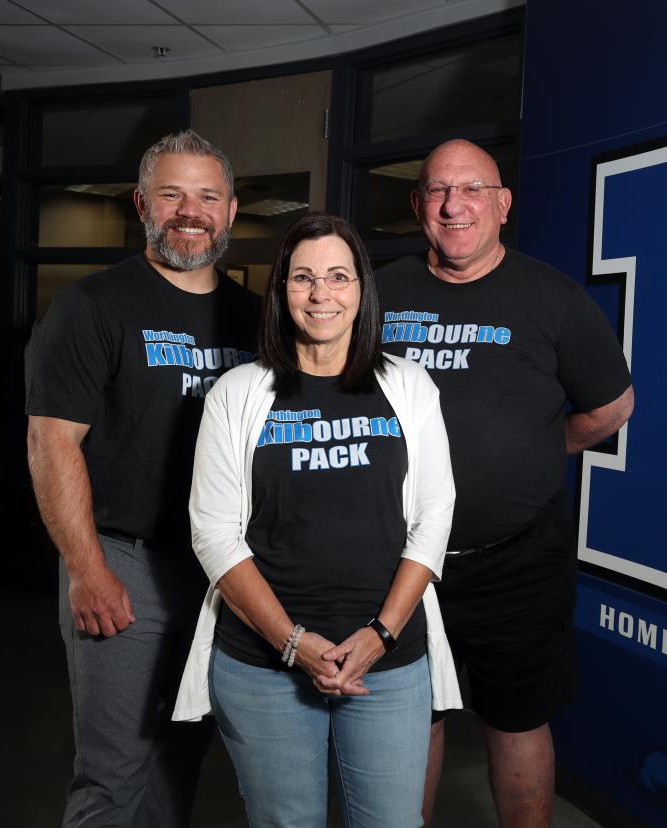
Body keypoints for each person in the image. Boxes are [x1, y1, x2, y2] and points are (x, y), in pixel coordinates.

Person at [171, 212, 461, 826]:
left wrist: (380, 635)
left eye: (338, 276)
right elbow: (214, 533)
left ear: (361, 289)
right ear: (281, 291)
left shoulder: (408, 385)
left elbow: (434, 517)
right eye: (302, 278)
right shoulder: (236, 393)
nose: (321, 294)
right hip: (263, 666)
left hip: (388, 661)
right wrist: (294, 644)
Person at [378, 139, 635, 827]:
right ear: (418, 205)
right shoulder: (380, 292)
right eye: (436, 190)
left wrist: (533, 451)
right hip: (396, 563)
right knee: (408, 719)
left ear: (502, 205)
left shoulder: (552, 297)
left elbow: (612, 408)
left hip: (516, 563)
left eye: (470, 189)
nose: (453, 204)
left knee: (517, 722)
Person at [25, 130, 261, 826]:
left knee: (182, 759)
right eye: (172, 194)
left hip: (223, 574)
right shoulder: (91, 307)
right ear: (141, 205)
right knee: (113, 774)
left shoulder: (256, 317)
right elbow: (50, 444)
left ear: (231, 208)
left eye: (207, 196)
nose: (191, 211)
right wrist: (86, 568)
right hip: (125, 567)